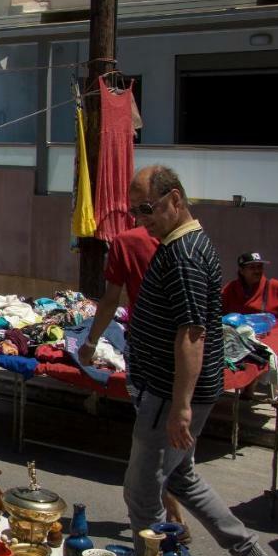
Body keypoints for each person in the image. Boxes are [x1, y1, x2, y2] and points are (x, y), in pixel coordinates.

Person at [113, 164, 278, 556]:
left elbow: (192, 333)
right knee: (180, 476)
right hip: (172, 389)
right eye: (135, 211)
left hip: (169, 392)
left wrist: (181, 406)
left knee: (141, 493)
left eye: (147, 208)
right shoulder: (177, 245)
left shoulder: (185, 253)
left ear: (175, 200)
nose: (141, 219)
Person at [79, 225, 189, 533]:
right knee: (174, 453)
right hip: (184, 351)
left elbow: (111, 297)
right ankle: (175, 517)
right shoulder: (189, 237)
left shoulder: (127, 242)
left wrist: (90, 343)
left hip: (150, 355)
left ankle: (161, 529)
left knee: (152, 454)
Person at [221, 251, 278, 331]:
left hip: (271, 340)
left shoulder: (275, 287)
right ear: (241, 271)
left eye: (259, 267)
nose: (257, 271)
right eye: (252, 267)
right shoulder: (230, 289)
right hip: (240, 341)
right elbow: (217, 310)